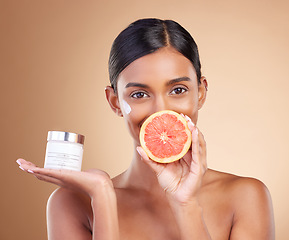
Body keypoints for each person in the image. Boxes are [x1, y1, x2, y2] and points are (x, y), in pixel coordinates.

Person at [17, 18, 275, 240]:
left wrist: (185, 204)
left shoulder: (246, 197)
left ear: (201, 92)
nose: (160, 110)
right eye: (139, 94)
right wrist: (103, 197)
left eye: (178, 90)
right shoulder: (73, 203)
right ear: (115, 102)